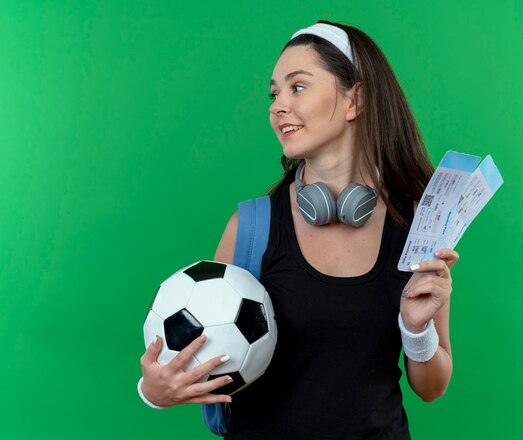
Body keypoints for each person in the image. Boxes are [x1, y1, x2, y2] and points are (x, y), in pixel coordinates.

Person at [138, 20, 459, 439]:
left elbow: (432, 388)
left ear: (354, 100)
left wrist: (417, 330)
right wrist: (154, 390)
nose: (277, 106)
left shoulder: (417, 223)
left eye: (298, 87)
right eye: (274, 93)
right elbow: (196, 353)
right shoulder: (252, 227)